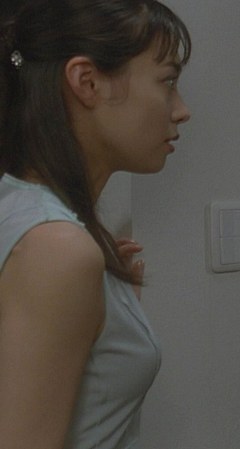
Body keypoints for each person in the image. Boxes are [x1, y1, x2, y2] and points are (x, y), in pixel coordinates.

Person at [0, 1, 191, 448]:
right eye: (168, 81)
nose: (181, 110)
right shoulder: (58, 248)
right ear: (87, 81)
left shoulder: (24, 210)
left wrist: (108, 313)